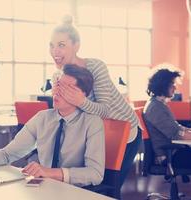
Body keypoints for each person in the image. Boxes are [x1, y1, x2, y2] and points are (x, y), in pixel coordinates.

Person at [50, 16, 141, 186]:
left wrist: (80, 101)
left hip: (123, 130)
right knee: (88, 185)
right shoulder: (57, 76)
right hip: (96, 134)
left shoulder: (95, 67)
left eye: (61, 45)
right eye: (52, 45)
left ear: (76, 46)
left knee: (109, 187)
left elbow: (105, 110)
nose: (55, 51)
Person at [0, 64, 105, 187]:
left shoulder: (92, 123)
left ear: (82, 95)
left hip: (74, 191)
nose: (57, 92)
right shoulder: (42, 118)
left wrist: (51, 172)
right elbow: (8, 154)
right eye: (58, 85)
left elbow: (95, 174)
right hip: (44, 188)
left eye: (67, 88)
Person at [143, 68, 191, 169]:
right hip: (169, 157)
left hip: (175, 152)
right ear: (163, 85)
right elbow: (176, 134)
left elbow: (178, 129)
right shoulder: (155, 108)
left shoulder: (159, 104)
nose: (175, 88)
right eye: (172, 84)